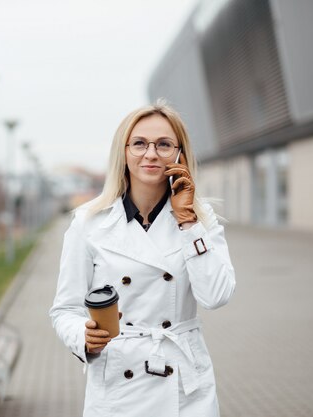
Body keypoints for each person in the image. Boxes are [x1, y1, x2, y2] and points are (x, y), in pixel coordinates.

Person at [49, 101, 236, 417]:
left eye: (164, 144)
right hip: (119, 383)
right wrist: (84, 336)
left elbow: (216, 296)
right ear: (123, 152)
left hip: (184, 388)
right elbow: (64, 309)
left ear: (179, 154)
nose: (151, 154)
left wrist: (188, 222)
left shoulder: (201, 221)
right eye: (139, 143)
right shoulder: (89, 222)